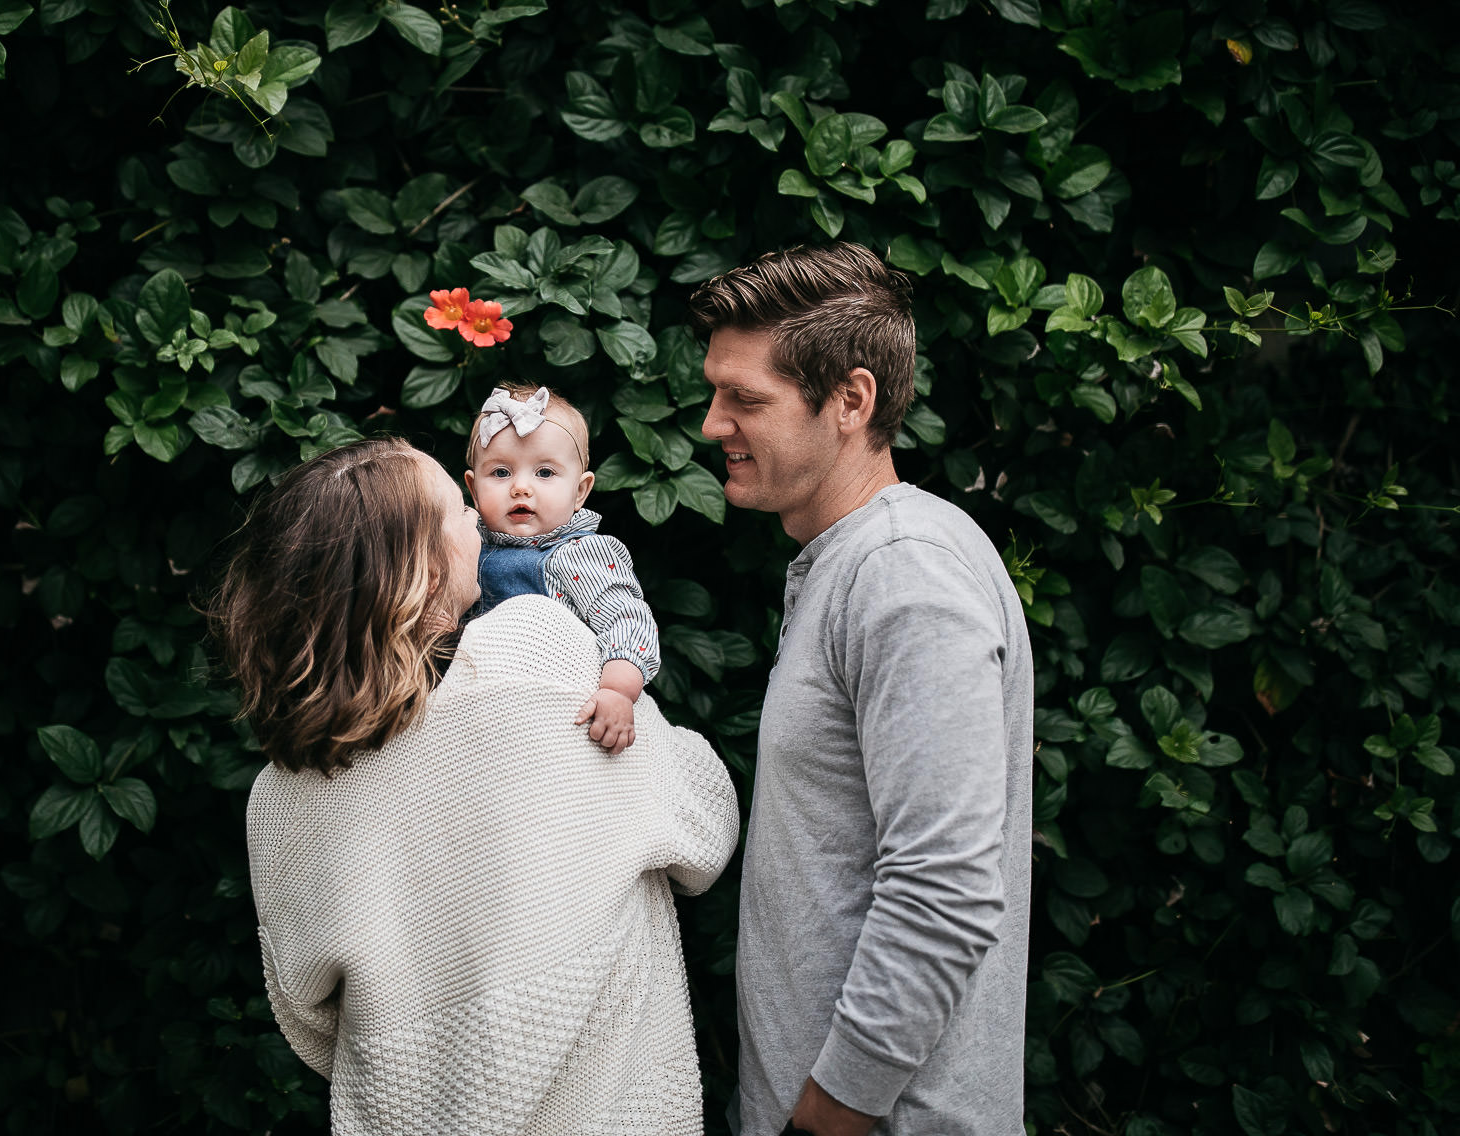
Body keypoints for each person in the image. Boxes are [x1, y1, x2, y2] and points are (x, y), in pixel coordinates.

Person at [206, 436, 740, 1134]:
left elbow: (306, 1019)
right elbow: (701, 826)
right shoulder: (533, 649)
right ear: (423, 571)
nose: (480, 520)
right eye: (460, 509)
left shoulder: (277, 800)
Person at [691, 243, 1034, 1136]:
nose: (711, 424)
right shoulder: (853, 563)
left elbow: (944, 890)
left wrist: (822, 1121)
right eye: (716, 391)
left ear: (851, 400)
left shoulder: (905, 579)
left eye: (746, 400)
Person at [463, 382, 661, 754]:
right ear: (473, 490)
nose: (521, 487)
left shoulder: (578, 554)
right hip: (487, 717)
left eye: (545, 473)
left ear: (580, 491)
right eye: (501, 473)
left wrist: (617, 691)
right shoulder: (467, 547)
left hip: (562, 717)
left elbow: (628, 619)